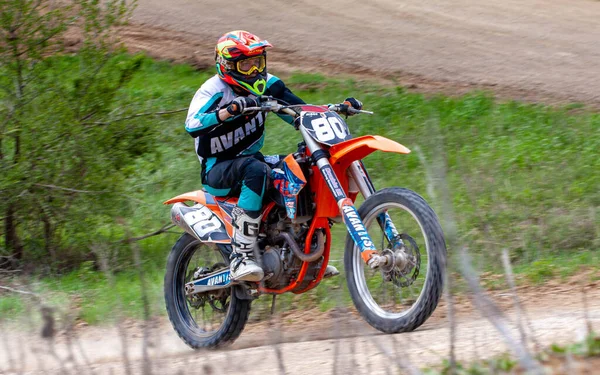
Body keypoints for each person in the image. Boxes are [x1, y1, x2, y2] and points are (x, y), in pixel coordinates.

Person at [184, 30, 363, 282]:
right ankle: (241, 255)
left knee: (301, 167)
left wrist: (335, 109)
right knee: (255, 171)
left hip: (251, 158)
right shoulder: (213, 90)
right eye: (245, 64)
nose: (254, 70)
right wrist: (228, 111)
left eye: (257, 62)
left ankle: (305, 250)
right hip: (217, 168)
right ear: (226, 65)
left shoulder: (268, 84)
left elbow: (299, 109)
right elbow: (192, 125)